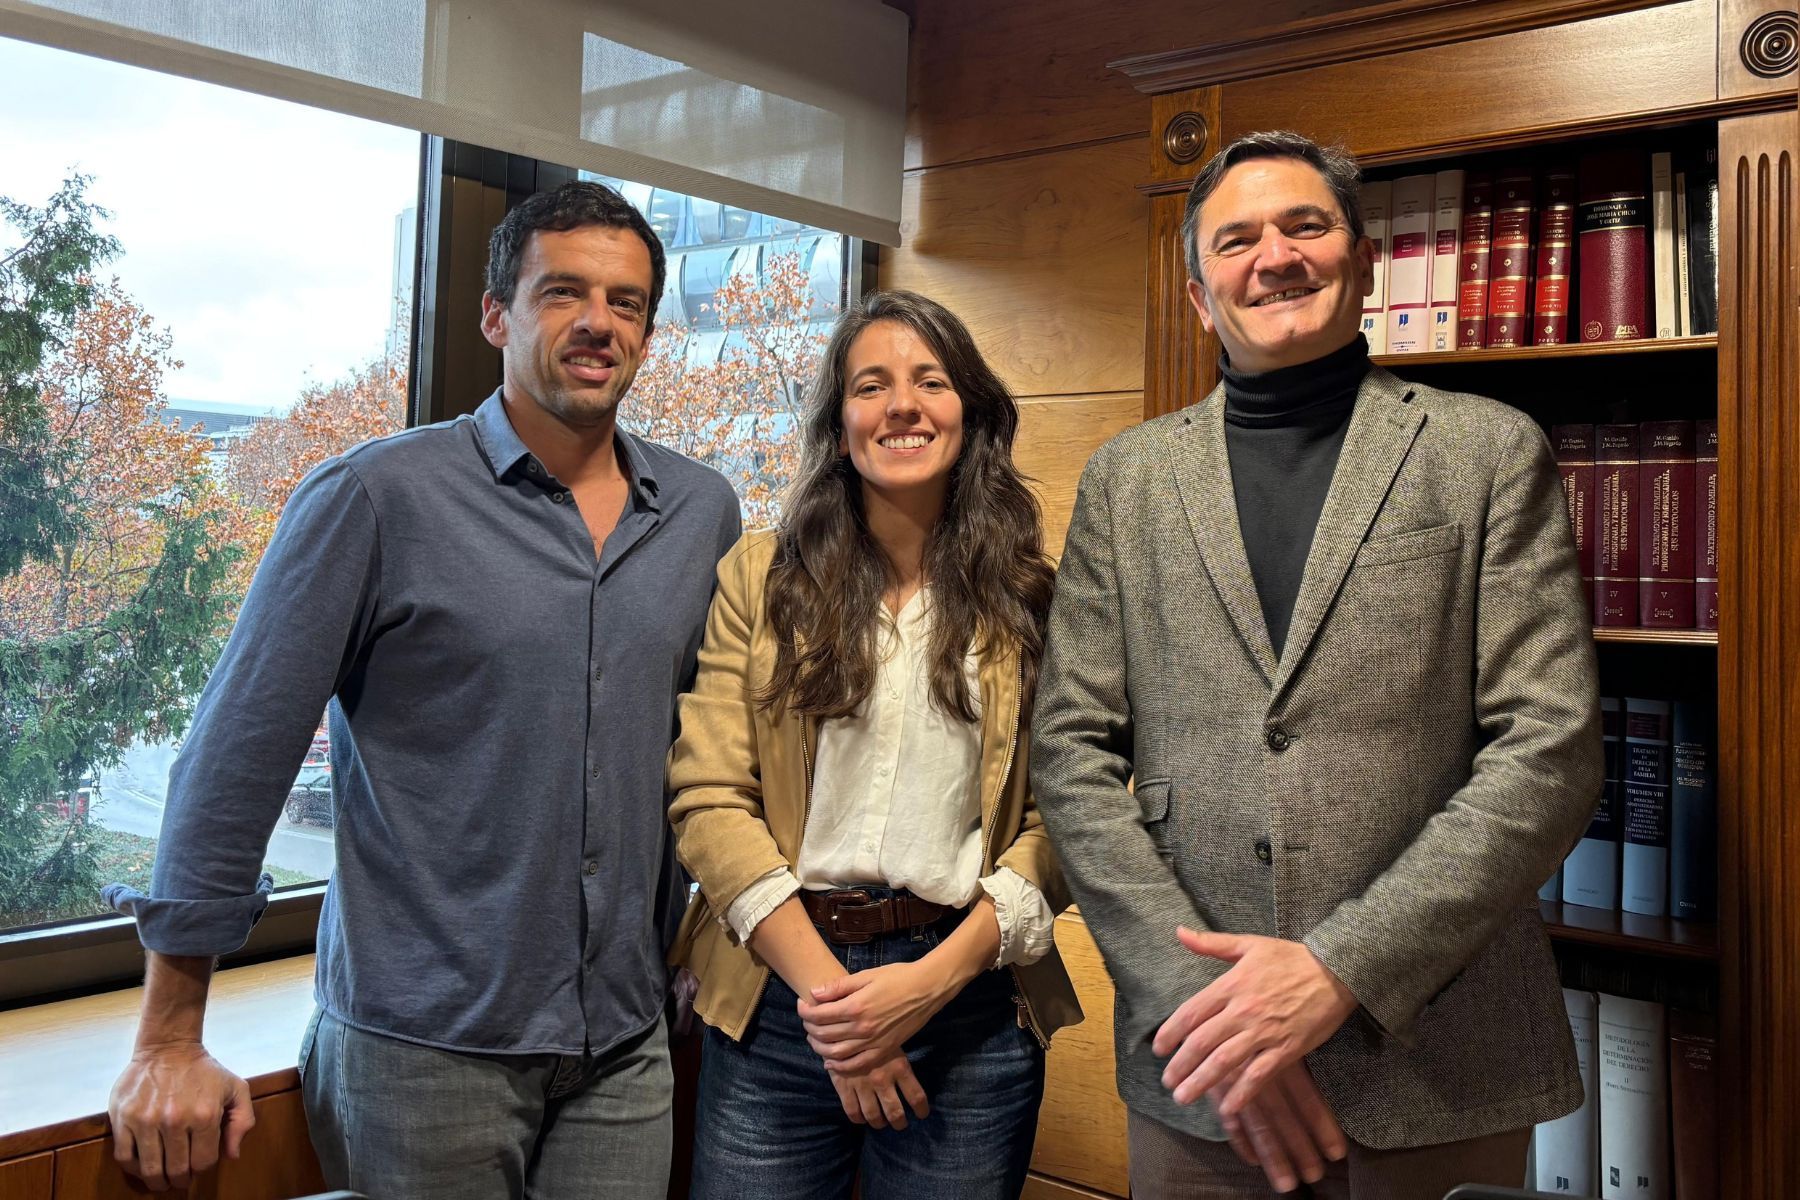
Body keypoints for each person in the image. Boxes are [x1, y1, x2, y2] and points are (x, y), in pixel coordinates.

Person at [104, 180, 741, 1198]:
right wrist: (169, 1037)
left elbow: (711, 752)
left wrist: (702, 928)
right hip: (421, 1056)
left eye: (625, 303)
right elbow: (235, 757)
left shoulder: (702, 511)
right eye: (562, 293)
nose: (597, 323)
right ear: (495, 314)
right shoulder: (374, 495)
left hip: (625, 1048)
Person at [1030, 130, 1603, 1200]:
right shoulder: (1128, 481)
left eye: (1306, 225)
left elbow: (1551, 749)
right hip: (1199, 1075)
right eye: (1237, 239)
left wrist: (1343, 970)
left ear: (1363, 259)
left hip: (1439, 1064)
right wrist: (1207, 1012)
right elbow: (1068, 753)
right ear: (1201, 295)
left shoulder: (1488, 452)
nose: (1275, 256)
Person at [665, 289, 1083, 1200]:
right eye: (872, 385)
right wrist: (839, 1013)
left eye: (930, 381)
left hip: (970, 1002)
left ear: (969, 414)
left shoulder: (1034, 596)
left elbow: (1069, 814)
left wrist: (928, 985)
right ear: (838, 421)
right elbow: (707, 798)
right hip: (778, 994)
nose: (902, 405)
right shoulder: (761, 576)